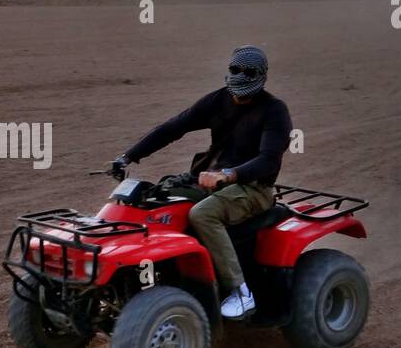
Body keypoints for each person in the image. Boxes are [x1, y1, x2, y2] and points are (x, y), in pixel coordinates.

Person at [109, 45, 292, 319]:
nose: (241, 75)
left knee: (202, 214)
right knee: (155, 201)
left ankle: (241, 293)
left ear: (262, 75)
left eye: (248, 71)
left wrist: (228, 174)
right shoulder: (219, 100)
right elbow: (175, 127)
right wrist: (129, 156)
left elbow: (268, 160)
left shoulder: (274, 110)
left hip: (253, 188)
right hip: (211, 182)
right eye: (235, 69)